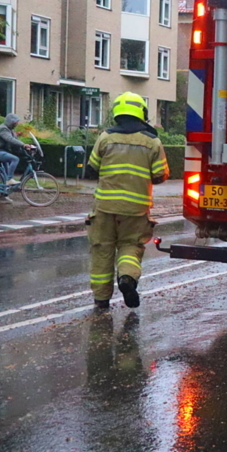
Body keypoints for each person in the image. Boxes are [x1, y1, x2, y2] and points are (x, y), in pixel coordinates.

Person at [87, 92, 169, 309]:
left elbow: (91, 167)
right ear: (141, 113)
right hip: (136, 210)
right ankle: (127, 278)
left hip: (105, 207)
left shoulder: (105, 137)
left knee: (102, 249)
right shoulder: (152, 142)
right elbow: (161, 175)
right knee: (130, 247)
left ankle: (101, 299)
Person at [0, 113, 35, 187]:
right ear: (10, 122)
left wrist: (25, 146)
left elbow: (15, 139)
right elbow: (10, 139)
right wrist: (23, 145)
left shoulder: (9, 130)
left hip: (1, 151)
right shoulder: (3, 129)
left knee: (5, 174)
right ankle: (9, 179)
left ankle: (4, 192)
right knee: (15, 159)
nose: (16, 124)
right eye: (15, 122)